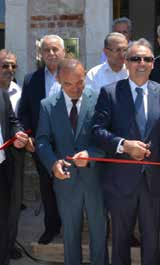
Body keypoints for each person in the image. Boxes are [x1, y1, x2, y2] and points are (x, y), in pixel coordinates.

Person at [92, 39, 160, 265]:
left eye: (147, 59)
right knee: (120, 241)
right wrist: (123, 144)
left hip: (153, 180)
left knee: (152, 241)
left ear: (152, 64)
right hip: (120, 180)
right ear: (126, 63)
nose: (141, 63)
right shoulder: (109, 93)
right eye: (135, 58)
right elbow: (97, 131)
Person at [36, 58, 107, 265]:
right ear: (58, 80)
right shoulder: (47, 105)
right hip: (65, 181)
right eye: (68, 84)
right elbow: (42, 141)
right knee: (70, 235)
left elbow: (107, 136)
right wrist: (52, 163)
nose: (76, 89)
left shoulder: (100, 98)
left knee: (99, 234)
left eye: (80, 82)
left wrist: (92, 154)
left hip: (95, 179)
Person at [18, 34, 65, 244]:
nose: (52, 53)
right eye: (47, 50)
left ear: (64, 52)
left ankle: (72, 225)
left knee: (71, 187)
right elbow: (24, 112)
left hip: (69, 143)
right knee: (47, 188)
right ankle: (51, 227)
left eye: (55, 49)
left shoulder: (73, 74)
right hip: (42, 145)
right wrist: (28, 137)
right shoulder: (31, 79)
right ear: (41, 54)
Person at [0, 49, 25, 260]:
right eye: (4, 65)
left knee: (9, 208)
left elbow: (12, 120)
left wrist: (19, 133)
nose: (9, 70)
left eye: (12, 66)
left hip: (8, 159)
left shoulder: (6, 92)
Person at [0, 89, 29, 265]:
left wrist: (17, 134)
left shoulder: (2, 94)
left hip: (2, 168)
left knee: (3, 223)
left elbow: (12, 121)